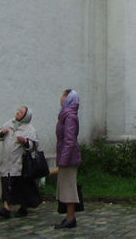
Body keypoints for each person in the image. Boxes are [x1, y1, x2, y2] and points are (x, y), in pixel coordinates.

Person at [0, 105, 40, 219]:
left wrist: (25, 141)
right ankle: (6, 208)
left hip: (19, 163)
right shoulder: (9, 123)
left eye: (21, 112)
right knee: (5, 183)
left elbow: (33, 146)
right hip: (6, 161)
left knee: (19, 185)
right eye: (18, 111)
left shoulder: (30, 129)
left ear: (25, 116)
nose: (18, 113)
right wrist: (1, 133)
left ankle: (22, 207)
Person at [54, 89, 81, 230]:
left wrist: (63, 160)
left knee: (69, 188)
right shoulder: (66, 114)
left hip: (69, 158)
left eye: (63, 95)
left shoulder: (69, 116)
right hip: (66, 156)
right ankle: (69, 217)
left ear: (68, 98)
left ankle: (71, 218)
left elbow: (69, 140)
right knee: (65, 187)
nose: (61, 98)